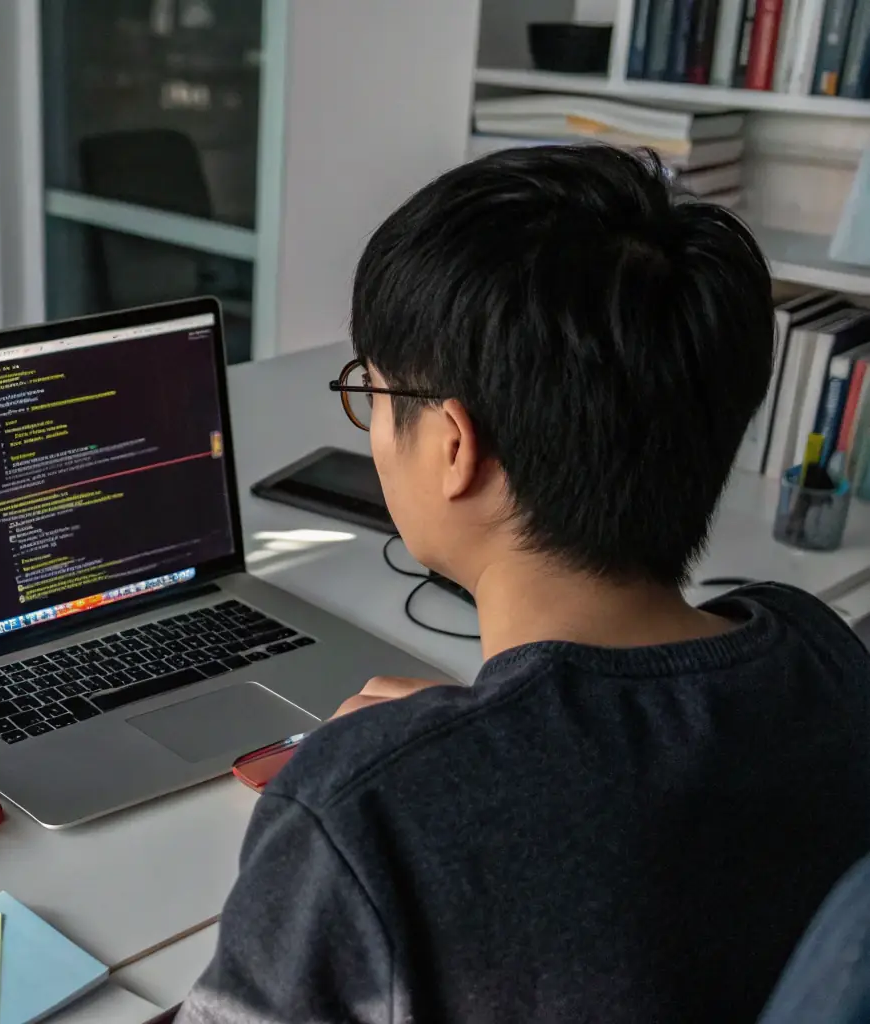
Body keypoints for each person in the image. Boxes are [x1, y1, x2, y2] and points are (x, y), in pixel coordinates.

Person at [175, 145, 870, 1023]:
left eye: (372, 394)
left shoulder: (363, 817)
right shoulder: (819, 653)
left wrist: (413, 776)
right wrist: (471, 746)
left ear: (453, 448)